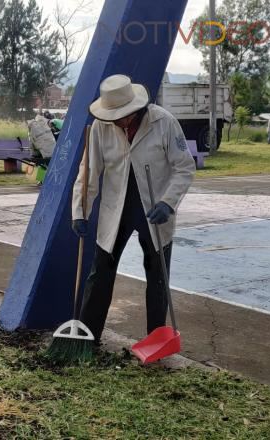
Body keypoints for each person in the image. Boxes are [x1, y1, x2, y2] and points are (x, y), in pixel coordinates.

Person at [71, 74, 195, 344]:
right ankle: (87, 338)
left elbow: (184, 168)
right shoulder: (99, 129)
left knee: (158, 276)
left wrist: (168, 203)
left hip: (155, 206)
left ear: (135, 109)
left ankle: (156, 340)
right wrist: (80, 212)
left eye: (121, 115)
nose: (116, 121)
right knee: (100, 271)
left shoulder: (164, 122)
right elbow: (88, 173)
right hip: (117, 208)